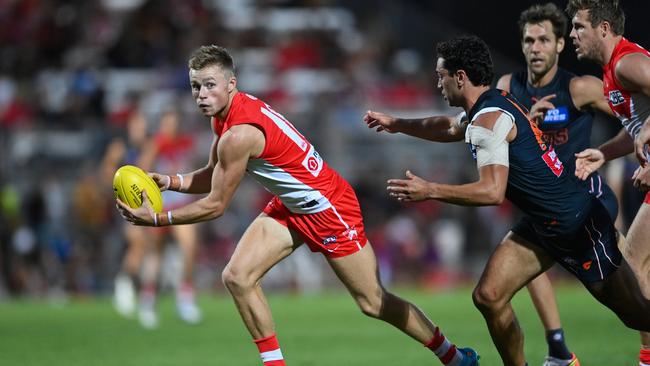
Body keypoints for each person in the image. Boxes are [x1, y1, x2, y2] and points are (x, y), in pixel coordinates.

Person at [117, 45, 479, 366]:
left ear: (231, 84)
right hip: (293, 205)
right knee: (237, 277)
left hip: (328, 207)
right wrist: (171, 181)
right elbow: (214, 172)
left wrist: (157, 219)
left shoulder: (238, 134)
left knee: (373, 302)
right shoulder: (225, 119)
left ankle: (453, 357)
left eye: (210, 84)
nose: (201, 94)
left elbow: (215, 205)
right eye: (196, 86)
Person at [364, 35, 650, 366]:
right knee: (489, 296)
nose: (438, 83)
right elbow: (447, 127)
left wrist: (430, 190)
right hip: (544, 223)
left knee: (638, 316)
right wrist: (396, 124)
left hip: (578, 226)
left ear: (460, 77)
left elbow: (491, 192)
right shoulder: (492, 102)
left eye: (441, 75)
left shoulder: (488, 120)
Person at [497, 3, 634, 365]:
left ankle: (646, 356)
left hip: (586, 202)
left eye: (544, 39)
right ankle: (558, 349)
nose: (535, 47)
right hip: (543, 208)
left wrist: (613, 151)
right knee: (492, 291)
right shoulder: (508, 88)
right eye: (529, 40)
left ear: (560, 45)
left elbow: (633, 115)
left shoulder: (580, 87)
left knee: (632, 292)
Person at [565, 1, 650, 365]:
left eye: (578, 27)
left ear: (602, 28)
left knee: (634, 262)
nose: (572, 35)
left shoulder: (626, 63)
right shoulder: (611, 74)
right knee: (634, 262)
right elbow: (633, 128)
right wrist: (603, 153)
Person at [103, 109, 202, 329]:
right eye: (167, 123)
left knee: (190, 247)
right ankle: (148, 301)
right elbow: (140, 174)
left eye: (174, 123)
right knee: (153, 253)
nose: (171, 128)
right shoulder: (155, 144)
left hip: (181, 203)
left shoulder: (186, 142)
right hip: (160, 206)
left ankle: (185, 298)